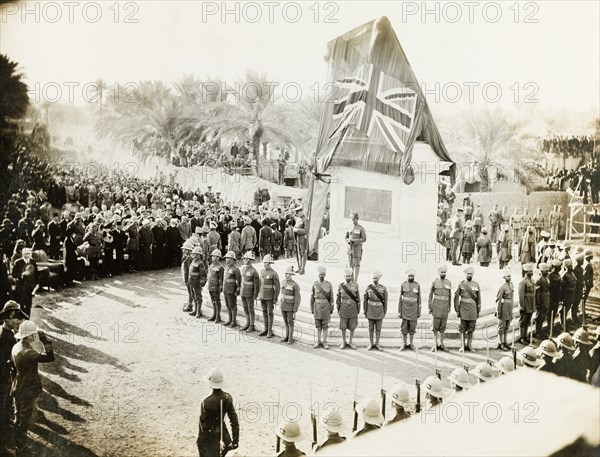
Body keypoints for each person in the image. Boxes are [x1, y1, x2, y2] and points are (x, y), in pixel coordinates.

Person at [11, 320, 55, 454]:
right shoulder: (29, 352)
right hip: (28, 388)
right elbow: (50, 357)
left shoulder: (16, 347)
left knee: (18, 415)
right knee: (25, 418)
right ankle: (21, 447)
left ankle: (17, 443)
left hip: (17, 385)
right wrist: (45, 341)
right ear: (29, 336)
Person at [0, 301, 27, 443]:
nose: (19, 321)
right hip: (4, 379)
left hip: (7, 377)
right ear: (8, 318)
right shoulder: (5, 337)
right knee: (4, 402)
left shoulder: (8, 333)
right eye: (16, 317)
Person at [197, 368, 239, 457]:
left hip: (209, 440)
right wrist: (235, 441)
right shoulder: (228, 398)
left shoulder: (205, 402)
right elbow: (234, 421)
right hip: (224, 437)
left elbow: (202, 427)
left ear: (210, 384)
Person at [454, 267, 481, 352]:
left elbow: (479, 298)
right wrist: (457, 309)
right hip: (463, 309)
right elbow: (456, 297)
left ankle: (469, 345)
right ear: (465, 274)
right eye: (468, 274)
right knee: (462, 329)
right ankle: (462, 346)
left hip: (473, 309)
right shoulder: (461, 284)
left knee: (471, 329)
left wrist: (478, 310)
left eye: (471, 274)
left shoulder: (476, 284)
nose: (469, 275)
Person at [310, 266, 333, 350]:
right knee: (318, 326)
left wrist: (331, 308)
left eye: (322, 274)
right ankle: (318, 341)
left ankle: (325, 342)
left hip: (326, 307)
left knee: (325, 326)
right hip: (317, 307)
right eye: (320, 274)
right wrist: (312, 308)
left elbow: (331, 297)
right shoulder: (315, 284)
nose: (321, 276)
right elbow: (312, 297)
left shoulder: (329, 285)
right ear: (318, 275)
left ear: (325, 275)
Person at [336, 268, 360, 350]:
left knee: (352, 326)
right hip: (344, 308)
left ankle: (350, 342)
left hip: (353, 307)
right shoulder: (341, 286)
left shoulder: (355, 285)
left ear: (351, 276)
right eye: (346, 276)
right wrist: (338, 309)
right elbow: (338, 299)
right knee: (343, 326)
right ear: (344, 276)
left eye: (349, 276)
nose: (348, 277)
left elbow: (358, 298)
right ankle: (343, 342)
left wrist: (358, 309)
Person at [429, 265, 451, 351]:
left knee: (443, 327)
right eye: (441, 272)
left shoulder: (448, 282)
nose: (443, 274)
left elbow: (450, 295)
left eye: (444, 272)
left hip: (445, 307)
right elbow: (430, 295)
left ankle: (441, 344)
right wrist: (430, 307)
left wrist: (449, 307)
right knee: (435, 327)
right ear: (438, 273)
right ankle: (435, 344)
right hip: (436, 307)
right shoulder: (434, 282)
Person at [363, 271, 388, 351]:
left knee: (378, 328)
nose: (375, 279)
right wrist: (365, 311)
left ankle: (377, 344)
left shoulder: (383, 288)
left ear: (379, 279)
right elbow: (365, 300)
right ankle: (371, 344)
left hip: (380, 310)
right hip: (370, 310)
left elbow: (386, 301)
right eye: (374, 278)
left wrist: (384, 311)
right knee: (370, 328)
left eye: (376, 278)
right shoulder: (368, 288)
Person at [11, 248, 38, 318]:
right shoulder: (18, 262)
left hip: (30, 286)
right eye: (26, 254)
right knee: (22, 303)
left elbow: (36, 273)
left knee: (29, 303)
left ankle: (28, 317)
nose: (28, 255)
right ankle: (22, 318)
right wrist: (22, 274)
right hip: (21, 286)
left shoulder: (33, 261)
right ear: (23, 254)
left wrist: (37, 283)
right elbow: (13, 274)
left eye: (29, 253)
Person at [258, 255, 280, 338]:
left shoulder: (274, 273)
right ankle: (265, 329)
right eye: (264, 262)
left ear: (270, 263)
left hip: (270, 296)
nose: (265, 264)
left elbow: (277, 287)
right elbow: (260, 284)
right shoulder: (262, 272)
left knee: (269, 313)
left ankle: (270, 331)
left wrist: (275, 298)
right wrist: (259, 295)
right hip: (263, 296)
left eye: (266, 262)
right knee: (264, 312)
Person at [399, 268, 420, 351]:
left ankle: (411, 344)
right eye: (409, 276)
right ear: (407, 276)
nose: (411, 277)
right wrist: (399, 311)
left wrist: (419, 311)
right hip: (405, 310)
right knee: (404, 328)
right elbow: (400, 300)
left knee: (412, 328)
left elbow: (419, 299)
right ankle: (404, 344)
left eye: (412, 276)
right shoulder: (403, 285)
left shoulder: (417, 285)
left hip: (414, 310)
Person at [279, 266, 301, 344]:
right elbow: (281, 294)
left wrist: (295, 310)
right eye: (285, 273)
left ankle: (290, 338)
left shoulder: (295, 285)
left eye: (287, 273)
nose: (286, 275)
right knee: (285, 322)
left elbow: (297, 299)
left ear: (291, 274)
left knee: (290, 322)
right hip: (283, 305)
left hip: (290, 307)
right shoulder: (283, 282)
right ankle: (287, 336)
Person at [239, 252, 259, 333]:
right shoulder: (243, 269)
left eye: (246, 259)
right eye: (244, 259)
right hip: (243, 292)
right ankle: (247, 323)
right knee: (245, 308)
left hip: (250, 293)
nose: (244, 260)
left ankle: (252, 325)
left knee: (250, 309)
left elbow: (256, 285)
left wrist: (255, 295)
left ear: (250, 260)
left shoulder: (254, 271)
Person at [495, 267, 514, 351]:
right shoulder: (502, 287)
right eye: (507, 276)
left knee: (507, 326)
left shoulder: (511, 285)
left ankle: (505, 342)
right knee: (501, 327)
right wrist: (498, 311)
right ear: (504, 277)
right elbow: (498, 300)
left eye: (510, 276)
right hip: (503, 308)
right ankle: (501, 343)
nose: (509, 278)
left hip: (509, 308)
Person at [518, 263, 536, 344]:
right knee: (523, 321)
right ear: (526, 272)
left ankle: (526, 336)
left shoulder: (531, 280)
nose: (531, 273)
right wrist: (522, 306)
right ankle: (522, 337)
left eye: (532, 271)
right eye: (530, 271)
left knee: (528, 321)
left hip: (531, 304)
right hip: (525, 304)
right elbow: (521, 295)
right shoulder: (523, 281)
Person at [222, 251, 241, 328]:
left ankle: (233, 321)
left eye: (230, 259)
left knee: (233, 305)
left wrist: (237, 290)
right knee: (227, 305)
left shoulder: (236, 269)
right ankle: (229, 320)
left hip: (232, 290)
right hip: (226, 289)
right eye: (227, 258)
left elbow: (239, 281)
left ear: (233, 260)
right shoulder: (226, 268)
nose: (228, 260)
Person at [345, 211, 366, 281]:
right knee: (350, 264)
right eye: (352, 219)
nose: (353, 221)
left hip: (357, 248)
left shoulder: (361, 228)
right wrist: (348, 240)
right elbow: (346, 237)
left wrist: (356, 241)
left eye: (354, 219)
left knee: (356, 264)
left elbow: (364, 239)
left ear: (357, 219)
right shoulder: (349, 227)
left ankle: (355, 280)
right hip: (350, 248)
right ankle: (351, 279)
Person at [188, 247, 208, 319]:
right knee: (193, 296)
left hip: (197, 282)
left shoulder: (200, 264)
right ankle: (195, 310)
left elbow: (203, 274)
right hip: (191, 281)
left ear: (200, 255)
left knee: (198, 297)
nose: (195, 256)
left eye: (197, 254)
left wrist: (202, 282)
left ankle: (198, 311)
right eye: (194, 254)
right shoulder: (193, 262)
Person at [207, 249, 224, 323]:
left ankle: (218, 316)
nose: (214, 258)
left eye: (216, 256)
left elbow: (221, 278)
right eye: (213, 256)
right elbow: (209, 275)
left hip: (216, 286)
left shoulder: (220, 267)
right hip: (210, 285)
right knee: (213, 301)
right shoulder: (211, 265)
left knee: (217, 301)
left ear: (218, 257)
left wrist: (220, 286)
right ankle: (214, 315)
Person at [560, 259, 577, 332]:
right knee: (564, 309)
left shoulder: (572, 273)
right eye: (569, 266)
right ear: (566, 267)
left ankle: (565, 322)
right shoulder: (565, 275)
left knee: (568, 308)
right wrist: (562, 298)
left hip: (571, 294)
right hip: (567, 294)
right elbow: (562, 287)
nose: (571, 267)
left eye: (571, 266)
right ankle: (562, 324)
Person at [535, 263, 550, 338]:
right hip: (541, 301)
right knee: (539, 318)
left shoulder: (545, 278)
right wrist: (538, 303)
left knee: (543, 317)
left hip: (545, 300)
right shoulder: (539, 280)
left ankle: (540, 331)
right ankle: (537, 332)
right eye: (545, 271)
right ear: (541, 271)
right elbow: (537, 293)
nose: (547, 272)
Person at [293, 207, 308, 275]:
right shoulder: (298, 219)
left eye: (297, 213)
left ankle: (303, 269)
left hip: (303, 238)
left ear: (301, 211)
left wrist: (297, 230)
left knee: (303, 253)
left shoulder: (305, 219)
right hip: (298, 238)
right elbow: (295, 227)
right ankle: (299, 267)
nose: (297, 214)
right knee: (299, 253)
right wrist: (295, 229)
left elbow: (306, 230)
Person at [582, 250, 594, 324]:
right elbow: (585, 276)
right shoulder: (587, 265)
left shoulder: (588, 264)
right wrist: (586, 285)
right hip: (587, 284)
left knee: (584, 299)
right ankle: (583, 312)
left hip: (588, 284)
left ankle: (583, 312)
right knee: (584, 299)